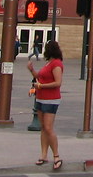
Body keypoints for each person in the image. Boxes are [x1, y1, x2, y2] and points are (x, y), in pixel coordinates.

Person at [28, 39, 63, 170]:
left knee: (48, 128)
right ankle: (43, 155)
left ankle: (56, 156)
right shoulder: (48, 64)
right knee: (43, 127)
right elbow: (39, 77)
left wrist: (41, 86)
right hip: (41, 98)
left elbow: (58, 82)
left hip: (51, 99)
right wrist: (32, 70)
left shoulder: (56, 64)